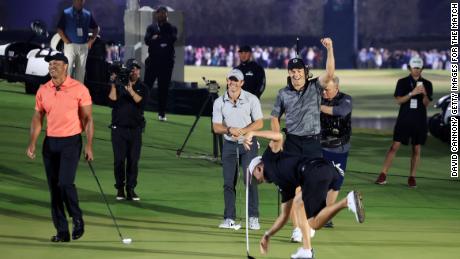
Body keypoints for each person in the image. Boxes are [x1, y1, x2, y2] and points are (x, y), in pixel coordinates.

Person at [242, 130, 364, 259]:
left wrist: (253, 133)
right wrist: (268, 235)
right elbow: (284, 216)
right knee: (299, 203)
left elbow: (278, 136)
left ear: (258, 168)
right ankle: (306, 250)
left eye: (255, 178)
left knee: (314, 223)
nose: (258, 181)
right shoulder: (284, 185)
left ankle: (347, 201)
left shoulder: (269, 158)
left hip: (313, 172)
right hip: (324, 168)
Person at [270, 38, 336, 242]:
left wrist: (330, 49)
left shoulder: (315, 87)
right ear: (289, 73)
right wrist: (276, 137)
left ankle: (309, 221)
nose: (296, 74)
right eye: (293, 71)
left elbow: (330, 74)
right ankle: (298, 228)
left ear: (305, 73)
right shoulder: (283, 93)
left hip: (312, 143)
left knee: (311, 185)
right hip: (292, 143)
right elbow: (274, 117)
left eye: (299, 71)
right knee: (293, 187)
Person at [26, 53, 94, 242]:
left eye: (56, 63)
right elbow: (38, 118)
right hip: (50, 143)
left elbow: (88, 119)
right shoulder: (43, 90)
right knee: (54, 190)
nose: (52, 66)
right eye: (50, 64)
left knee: (65, 183)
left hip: (71, 142)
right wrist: (32, 141)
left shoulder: (79, 89)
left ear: (66, 66)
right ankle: (62, 232)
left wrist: (89, 145)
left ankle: (77, 217)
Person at [212, 68, 263, 230]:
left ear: (242, 83)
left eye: (236, 81)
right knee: (228, 182)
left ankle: (253, 217)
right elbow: (216, 127)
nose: (232, 83)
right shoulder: (219, 102)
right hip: (229, 145)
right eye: (230, 80)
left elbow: (259, 122)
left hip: (248, 143)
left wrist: (244, 130)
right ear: (227, 81)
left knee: (249, 180)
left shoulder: (251, 99)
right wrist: (229, 130)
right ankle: (229, 218)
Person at [375, 56, 433, 187]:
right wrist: (412, 93)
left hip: (419, 120)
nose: (416, 70)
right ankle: (383, 174)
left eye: (419, 68)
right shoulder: (402, 82)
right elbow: (399, 101)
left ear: (422, 68)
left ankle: (412, 177)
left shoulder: (427, 84)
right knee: (394, 146)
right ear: (409, 68)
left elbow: (426, 103)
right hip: (404, 119)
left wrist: (424, 93)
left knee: (416, 148)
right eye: (414, 68)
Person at [108, 59, 147, 201]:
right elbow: (111, 102)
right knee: (119, 161)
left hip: (135, 130)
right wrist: (113, 84)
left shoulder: (143, 87)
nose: (135, 71)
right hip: (118, 130)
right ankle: (120, 188)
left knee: (133, 161)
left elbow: (141, 103)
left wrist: (130, 90)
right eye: (132, 69)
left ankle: (130, 189)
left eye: (137, 69)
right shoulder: (118, 85)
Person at [319, 76, 352, 228]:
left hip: (339, 148)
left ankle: (326, 215)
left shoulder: (346, 99)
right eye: (323, 89)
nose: (324, 92)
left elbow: (341, 111)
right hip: (320, 146)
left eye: (327, 90)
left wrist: (318, 107)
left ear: (336, 88)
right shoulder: (319, 97)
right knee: (319, 180)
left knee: (336, 182)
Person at [144, 6, 177, 122]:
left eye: (164, 13)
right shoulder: (151, 27)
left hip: (166, 63)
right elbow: (147, 40)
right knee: (146, 87)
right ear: (156, 15)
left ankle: (161, 113)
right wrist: (160, 40)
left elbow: (172, 39)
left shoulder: (172, 27)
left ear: (167, 15)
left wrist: (157, 38)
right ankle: (140, 110)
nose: (162, 15)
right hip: (153, 61)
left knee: (163, 89)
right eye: (160, 13)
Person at [57, 0, 99, 83]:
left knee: (81, 72)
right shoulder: (66, 13)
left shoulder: (88, 14)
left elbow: (96, 28)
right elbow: (59, 28)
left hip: (83, 46)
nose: (80, 2)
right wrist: (66, 41)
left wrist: (91, 40)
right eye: (78, 0)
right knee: (67, 69)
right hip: (70, 46)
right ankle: (66, 92)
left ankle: (78, 94)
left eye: (82, 0)